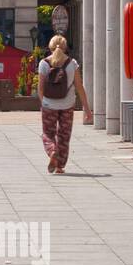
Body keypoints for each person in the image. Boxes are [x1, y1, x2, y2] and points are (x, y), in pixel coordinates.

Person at [38, 34, 92, 174]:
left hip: (49, 104)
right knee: (64, 134)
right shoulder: (72, 64)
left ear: (50, 47)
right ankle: (60, 166)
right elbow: (79, 87)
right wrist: (87, 109)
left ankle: (52, 151)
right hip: (67, 104)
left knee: (48, 133)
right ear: (65, 47)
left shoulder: (44, 63)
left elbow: (40, 89)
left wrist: (44, 103)